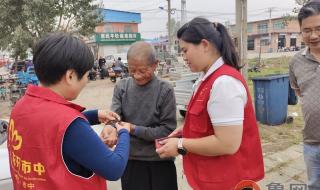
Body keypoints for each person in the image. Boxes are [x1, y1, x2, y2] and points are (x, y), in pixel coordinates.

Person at [7, 33, 131, 190]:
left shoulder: (21, 106)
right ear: (70, 76)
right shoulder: (70, 125)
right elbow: (114, 168)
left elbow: (50, 128)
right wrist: (124, 133)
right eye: (87, 75)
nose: (87, 81)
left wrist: (94, 115)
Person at [156, 17, 264, 190]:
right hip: (212, 177)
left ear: (205, 45)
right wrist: (186, 130)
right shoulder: (205, 78)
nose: (183, 57)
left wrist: (180, 144)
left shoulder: (224, 83)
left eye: (185, 50)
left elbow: (227, 143)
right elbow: (210, 122)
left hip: (228, 180)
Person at [102, 41, 178, 190]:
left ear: (155, 65)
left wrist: (134, 129)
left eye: (142, 71)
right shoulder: (122, 87)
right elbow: (115, 117)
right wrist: (110, 128)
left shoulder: (165, 90)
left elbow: (167, 131)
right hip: (131, 160)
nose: (137, 75)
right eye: (132, 70)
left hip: (160, 160)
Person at [289, 2, 320, 189]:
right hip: (311, 141)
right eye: (307, 30)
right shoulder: (296, 62)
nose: (314, 35)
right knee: (314, 185)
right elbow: (299, 92)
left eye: (319, 29)